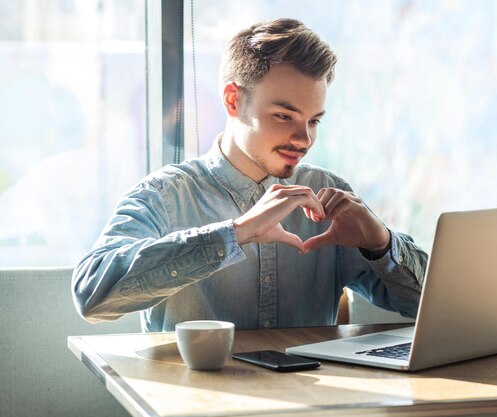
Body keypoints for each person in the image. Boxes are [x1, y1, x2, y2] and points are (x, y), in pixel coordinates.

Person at [72, 18, 428, 332]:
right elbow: (91, 296)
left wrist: (380, 243)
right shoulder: (164, 195)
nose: (304, 139)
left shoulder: (328, 193)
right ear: (232, 100)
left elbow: (428, 307)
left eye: (314, 120)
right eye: (284, 116)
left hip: (312, 403)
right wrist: (235, 234)